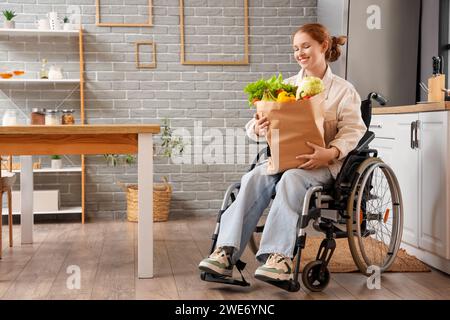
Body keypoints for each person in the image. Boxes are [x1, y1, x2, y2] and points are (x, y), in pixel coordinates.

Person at [198, 23, 367, 283]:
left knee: (291, 180)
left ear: (323, 46)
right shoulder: (285, 88)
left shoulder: (344, 91)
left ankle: (279, 258)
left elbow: (354, 131)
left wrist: (330, 152)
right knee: (253, 178)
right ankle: (225, 253)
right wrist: (258, 126)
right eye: (296, 49)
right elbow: (253, 129)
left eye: (305, 46)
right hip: (282, 158)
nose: (299, 53)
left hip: (320, 164)